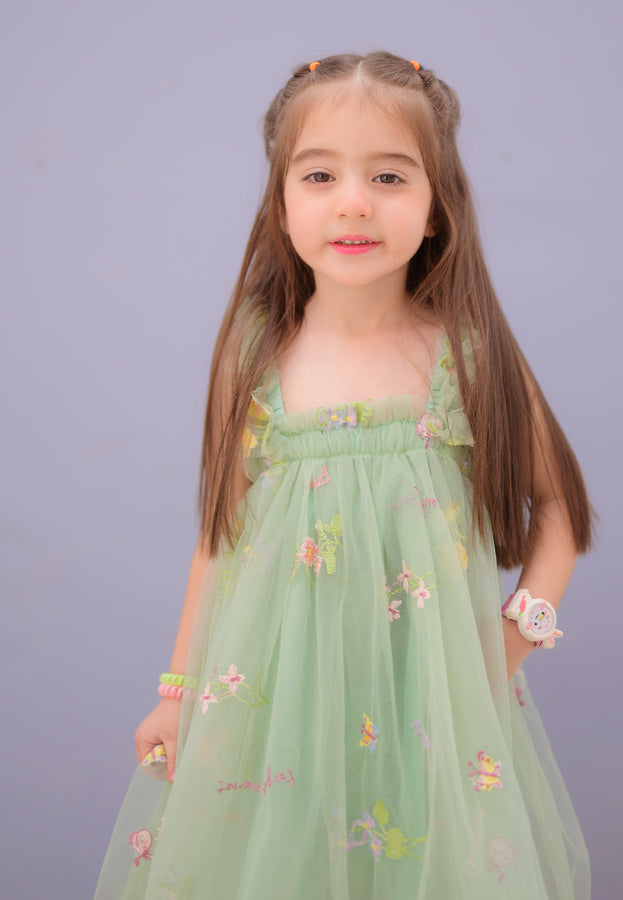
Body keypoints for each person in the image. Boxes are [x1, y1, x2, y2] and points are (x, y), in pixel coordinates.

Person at [95, 50, 593, 899]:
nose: (354, 201)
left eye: (391, 176)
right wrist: (177, 693)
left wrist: (508, 644)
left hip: (434, 707)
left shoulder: (466, 357)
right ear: (282, 203)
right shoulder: (254, 356)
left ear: (438, 208)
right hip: (277, 708)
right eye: (320, 174)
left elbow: (559, 511)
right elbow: (219, 538)